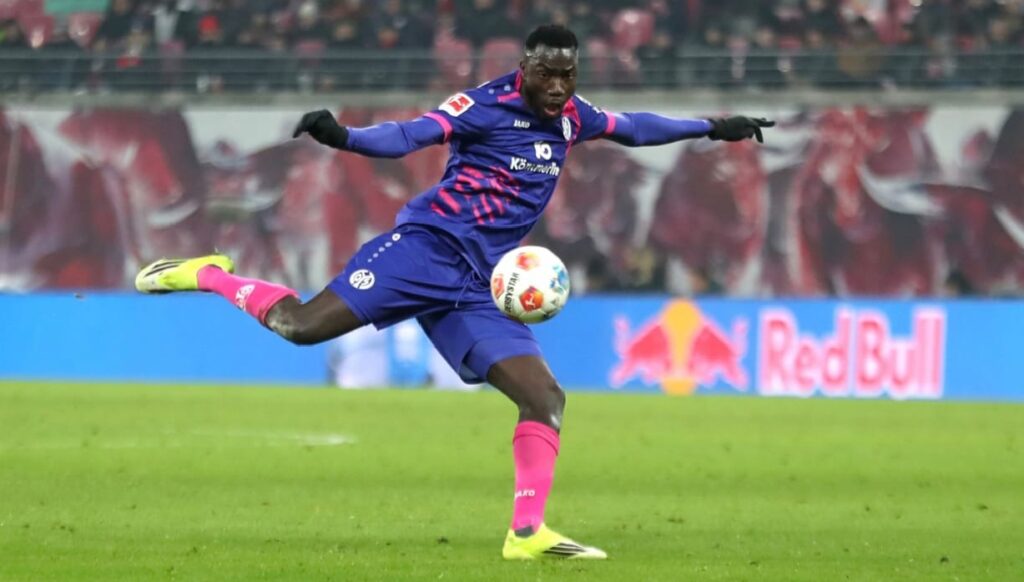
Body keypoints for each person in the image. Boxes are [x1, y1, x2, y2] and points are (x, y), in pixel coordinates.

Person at [135, 24, 773, 560]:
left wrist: (713, 126)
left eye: (568, 75)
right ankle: (208, 273)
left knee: (544, 397)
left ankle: (526, 533)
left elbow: (634, 127)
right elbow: (412, 134)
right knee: (301, 327)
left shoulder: (573, 118)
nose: (558, 87)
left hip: (481, 284)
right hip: (424, 251)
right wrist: (345, 138)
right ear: (524, 68)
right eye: (547, 74)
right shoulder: (484, 106)